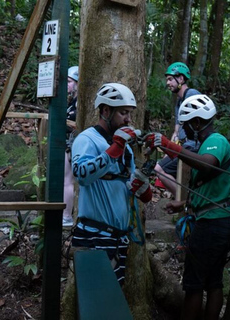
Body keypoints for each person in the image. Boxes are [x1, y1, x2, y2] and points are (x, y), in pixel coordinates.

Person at [145, 94, 230, 320]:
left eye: (187, 125)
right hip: (215, 218)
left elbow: (207, 165)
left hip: (213, 224)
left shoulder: (216, 141)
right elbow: (212, 190)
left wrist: (169, 146)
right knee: (212, 281)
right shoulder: (205, 144)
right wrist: (184, 204)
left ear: (197, 123)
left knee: (195, 284)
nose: (185, 130)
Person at [70, 82, 152, 285]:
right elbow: (81, 174)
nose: (129, 119)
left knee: (112, 299)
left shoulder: (127, 149)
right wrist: (115, 148)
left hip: (118, 239)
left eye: (129, 113)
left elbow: (138, 192)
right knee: (96, 300)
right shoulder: (87, 139)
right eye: (123, 113)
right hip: (93, 236)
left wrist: (142, 184)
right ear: (106, 110)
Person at [154, 62, 200, 197]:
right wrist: (169, 150)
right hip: (184, 145)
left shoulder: (191, 95)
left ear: (180, 79)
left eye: (170, 79)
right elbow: (176, 130)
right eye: (167, 79)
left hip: (193, 147)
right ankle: (183, 198)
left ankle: (185, 199)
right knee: (161, 168)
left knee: (159, 169)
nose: (167, 83)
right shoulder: (179, 101)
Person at [62, 66, 79, 227]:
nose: (67, 85)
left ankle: (67, 216)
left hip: (74, 145)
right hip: (69, 144)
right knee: (65, 180)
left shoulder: (79, 103)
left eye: (69, 82)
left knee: (68, 181)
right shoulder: (71, 102)